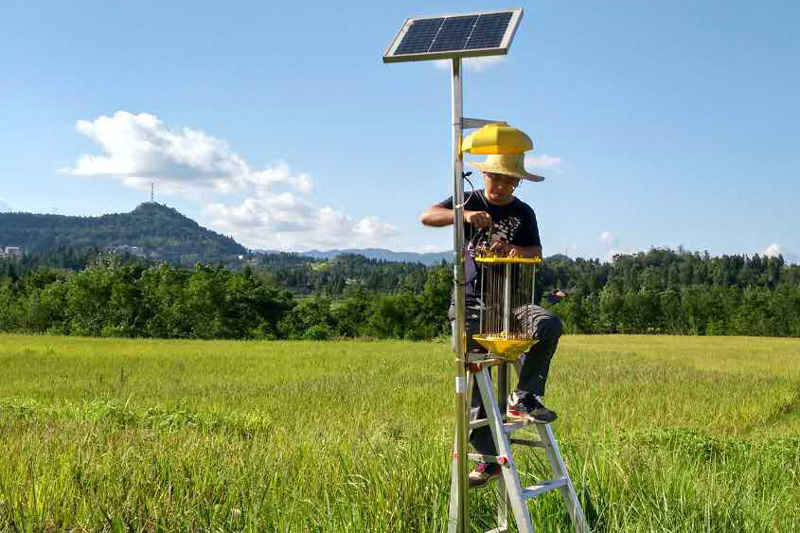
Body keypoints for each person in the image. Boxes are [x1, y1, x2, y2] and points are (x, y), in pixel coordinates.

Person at [420, 152, 564, 488]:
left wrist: (518, 250)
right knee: (476, 374)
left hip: (513, 302)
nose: (498, 185)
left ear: (517, 182)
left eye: (506, 179)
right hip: (473, 302)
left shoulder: (524, 212)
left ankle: (525, 396)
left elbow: (537, 252)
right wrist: (466, 215)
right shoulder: (470, 198)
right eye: (493, 178)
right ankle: (487, 460)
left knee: (548, 325)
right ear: (484, 176)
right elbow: (427, 215)